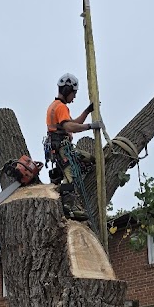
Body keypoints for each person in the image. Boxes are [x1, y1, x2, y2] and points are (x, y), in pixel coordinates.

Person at [45, 73, 100, 218]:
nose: (74, 97)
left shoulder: (54, 106)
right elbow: (70, 127)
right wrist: (91, 126)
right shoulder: (61, 107)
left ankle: (68, 205)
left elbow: (73, 123)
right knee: (71, 177)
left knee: (88, 158)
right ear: (67, 90)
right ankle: (68, 209)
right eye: (73, 94)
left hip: (60, 148)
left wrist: (88, 111)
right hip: (62, 150)